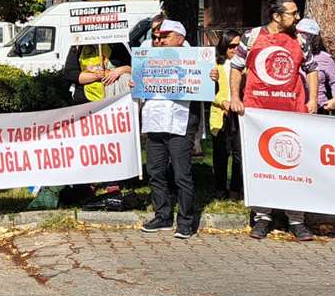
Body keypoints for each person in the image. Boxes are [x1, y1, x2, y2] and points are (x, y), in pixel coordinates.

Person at [228, 0, 319, 241]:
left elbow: (312, 70)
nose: (297, 17)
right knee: (260, 166)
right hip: (258, 113)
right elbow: (236, 67)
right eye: (292, 13)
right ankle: (262, 217)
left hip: (292, 112)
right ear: (277, 16)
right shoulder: (252, 36)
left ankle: (297, 220)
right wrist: (235, 97)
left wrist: (312, 100)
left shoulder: (300, 39)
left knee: (294, 165)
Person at [139, 20, 201, 238]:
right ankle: (163, 216)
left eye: (165, 36)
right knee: (155, 171)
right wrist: (136, 82)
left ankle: (185, 221)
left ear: (180, 39)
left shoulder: (195, 60)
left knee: (181, 174)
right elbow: (141, 86)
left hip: (179, 123)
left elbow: (206, 89)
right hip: (155, 122)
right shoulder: (148, 57)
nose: (159, 40)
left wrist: (212, 80)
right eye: (157, 37)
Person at [208, 29, 243, 198]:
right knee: (220, 154)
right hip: (221, 114)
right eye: (231, 46)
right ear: (224, 46)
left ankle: (236, 189)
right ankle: (220, 189)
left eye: (238, 45)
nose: (235, 49)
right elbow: (208, 91)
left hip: (240, 114)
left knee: (239, 154)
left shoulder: (245, 66)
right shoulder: (215, 65)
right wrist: (222, 102)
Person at [296, 19, 335, 115]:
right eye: (298, 33)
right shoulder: (290, 54)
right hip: (295, 104)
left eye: (306, 35)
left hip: (318, 106)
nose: (301, 37)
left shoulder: (324, 58)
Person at [62, 41, 133, 102]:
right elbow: (70, 74)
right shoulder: (78, 46)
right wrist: (96, 76)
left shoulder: (116, 44)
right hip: (87, 101)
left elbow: (133, 68)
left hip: (116, 98)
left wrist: (119, 71)